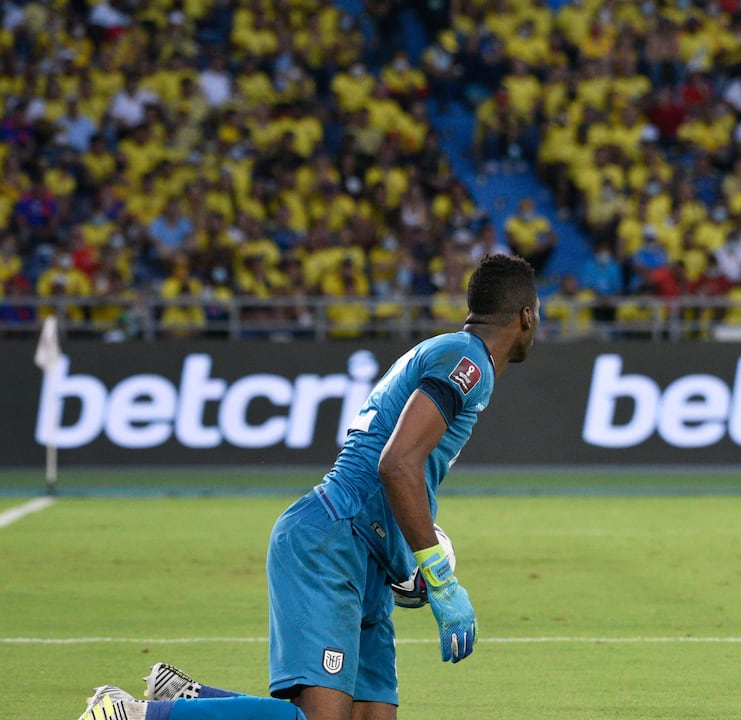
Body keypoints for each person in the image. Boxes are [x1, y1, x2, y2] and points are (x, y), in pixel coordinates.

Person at [78, 254, 542, 720]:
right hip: (332, 539)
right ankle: (136, 715)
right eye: (537, 314)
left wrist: (404, 560)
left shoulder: (453, 354)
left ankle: (185, 696)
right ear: (525, 317)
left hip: (369, 557)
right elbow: (397, 464)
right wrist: (438, 574)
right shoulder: (467, 361)